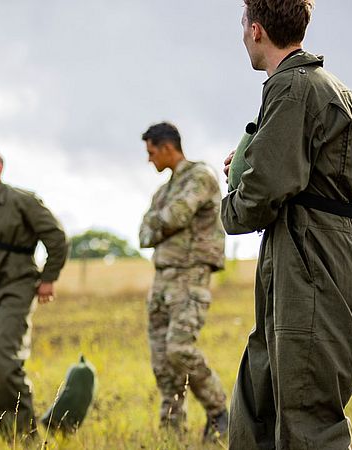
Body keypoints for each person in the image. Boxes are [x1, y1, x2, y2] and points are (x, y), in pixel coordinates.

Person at [222, 1, 352, 448]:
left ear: (255, 31)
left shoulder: (290, 87)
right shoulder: (338, 90)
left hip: (312, 266)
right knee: (258, 404)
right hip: (315, 257)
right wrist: (256, 159)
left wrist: (231, 203)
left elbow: (265, 192)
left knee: (307, 418)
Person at [0, 148, 69, 442]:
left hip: (16, 286)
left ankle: (29, 435)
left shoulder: (22, 201)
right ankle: (10, 437)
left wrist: (48, 279)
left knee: (2, 366)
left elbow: (56, 238)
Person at [138, 122, 228, 442]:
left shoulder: (200, 175)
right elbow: (144, 233)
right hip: (162, 278)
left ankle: (219, 411)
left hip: (191, 275)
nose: (149, 160)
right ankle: (172, 433)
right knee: (162, 362)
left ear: (167, 147)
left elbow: (175, 217)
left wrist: (161, 222)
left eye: (151, 152)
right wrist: (161, 223)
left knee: (179, 349)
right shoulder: (164, 190)